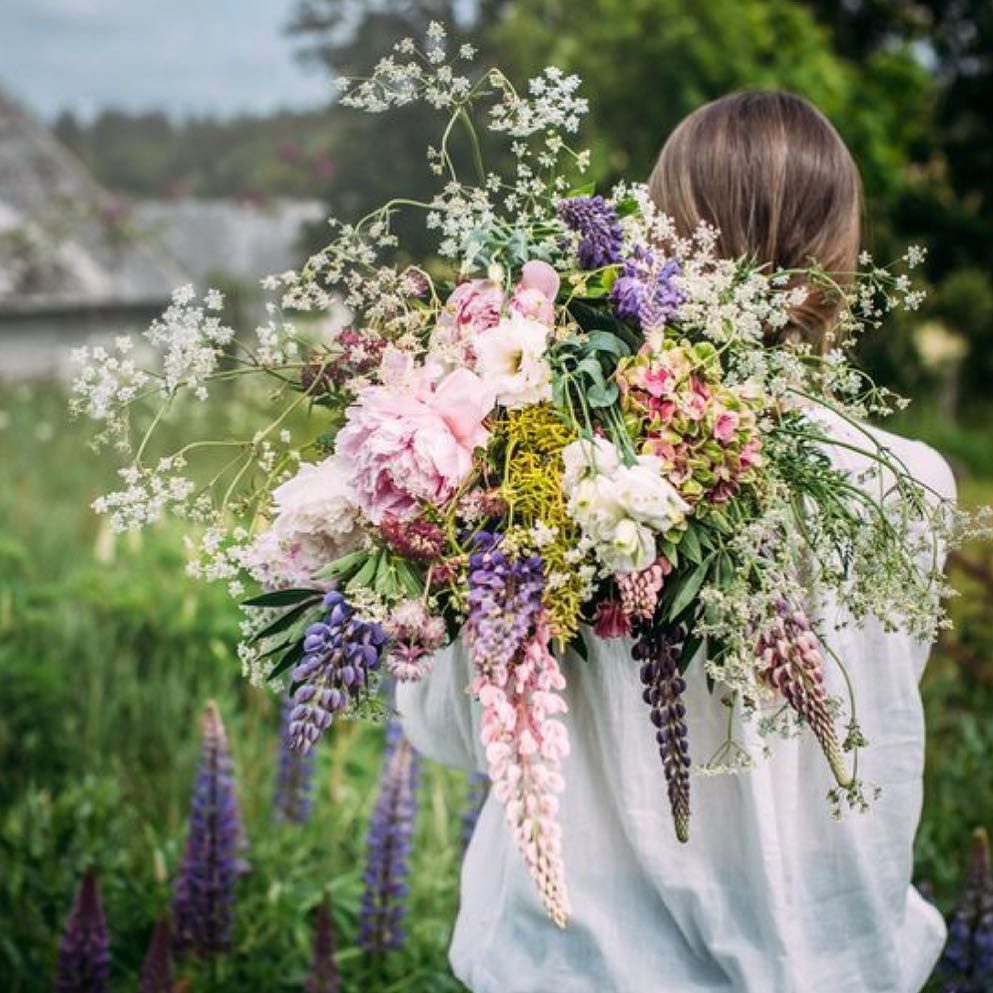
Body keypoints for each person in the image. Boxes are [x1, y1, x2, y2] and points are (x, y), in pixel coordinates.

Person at [396, 91, 955, 993]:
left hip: (581, 962)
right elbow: (876, 714)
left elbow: (457, 731)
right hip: (831, 954)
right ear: (840, 262)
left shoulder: (549, 454)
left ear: (656, 240)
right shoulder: (915, 481)